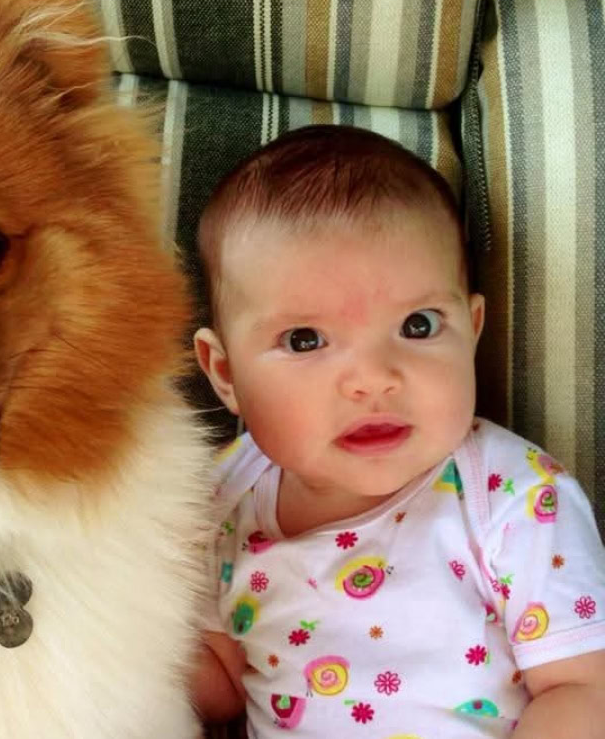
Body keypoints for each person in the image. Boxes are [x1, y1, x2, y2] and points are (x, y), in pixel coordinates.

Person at [190, 125, 605, 736]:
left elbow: (582, 688)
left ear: (472, 327)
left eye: (417, 325)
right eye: (305, 340)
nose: (375, 379)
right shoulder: (219, 502)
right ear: (226, 375)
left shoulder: (514, 496)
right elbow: (217, 688)